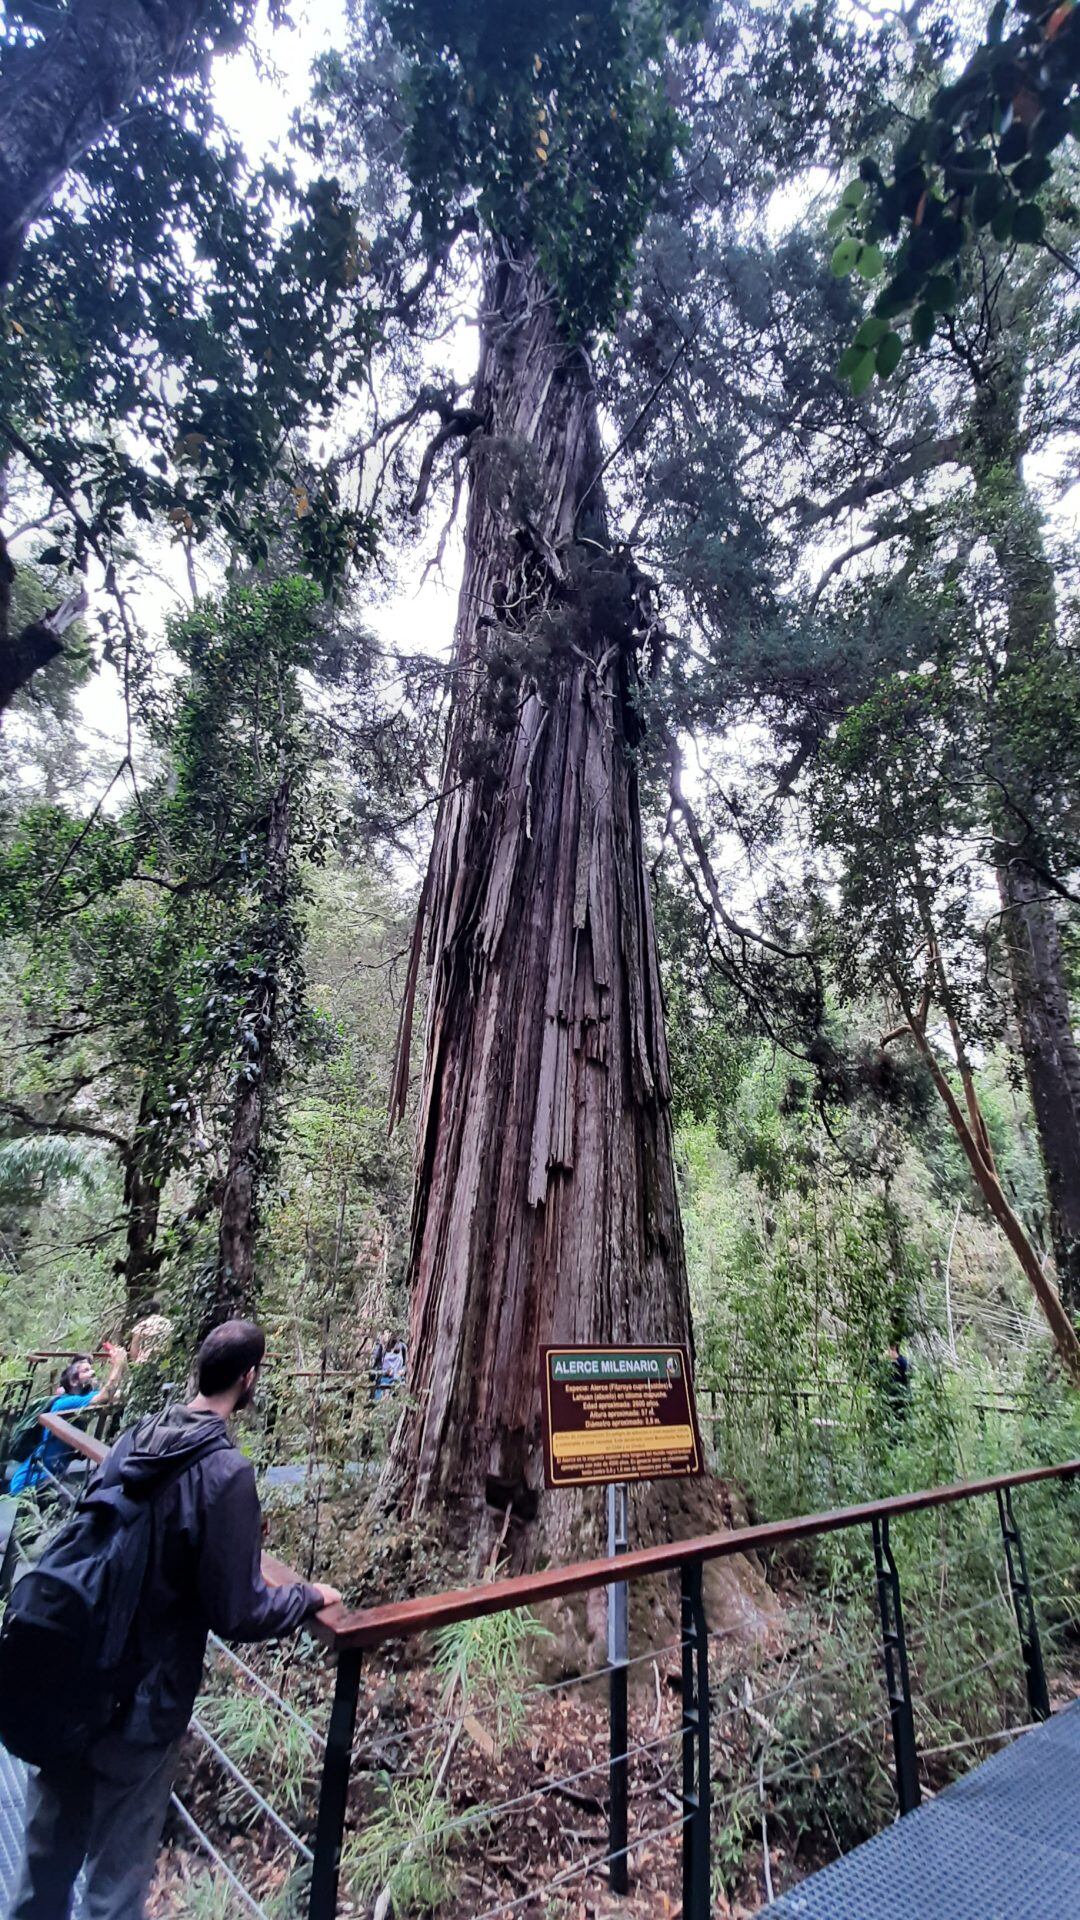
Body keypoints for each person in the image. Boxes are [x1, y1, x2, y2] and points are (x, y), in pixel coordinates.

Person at [10, 1317, 341, 1920]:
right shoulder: (227, 1473)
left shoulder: (142, 1433)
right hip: (141, 1704)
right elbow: (238, 1610)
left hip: (77, 1673)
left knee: (45, 1861)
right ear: (249, 1379)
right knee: (114, 1883)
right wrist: (308, 1597)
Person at [8, 1343, 128, 1495]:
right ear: (73, 1381)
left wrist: (121, 1366)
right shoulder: (65, 1403)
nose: (92, 1373)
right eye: (86, 1370)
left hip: (51, 1474)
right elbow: (104, 1396)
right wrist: (118, 1365)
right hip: (29, 1482)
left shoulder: (84, 1398)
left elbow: (115, 1395)